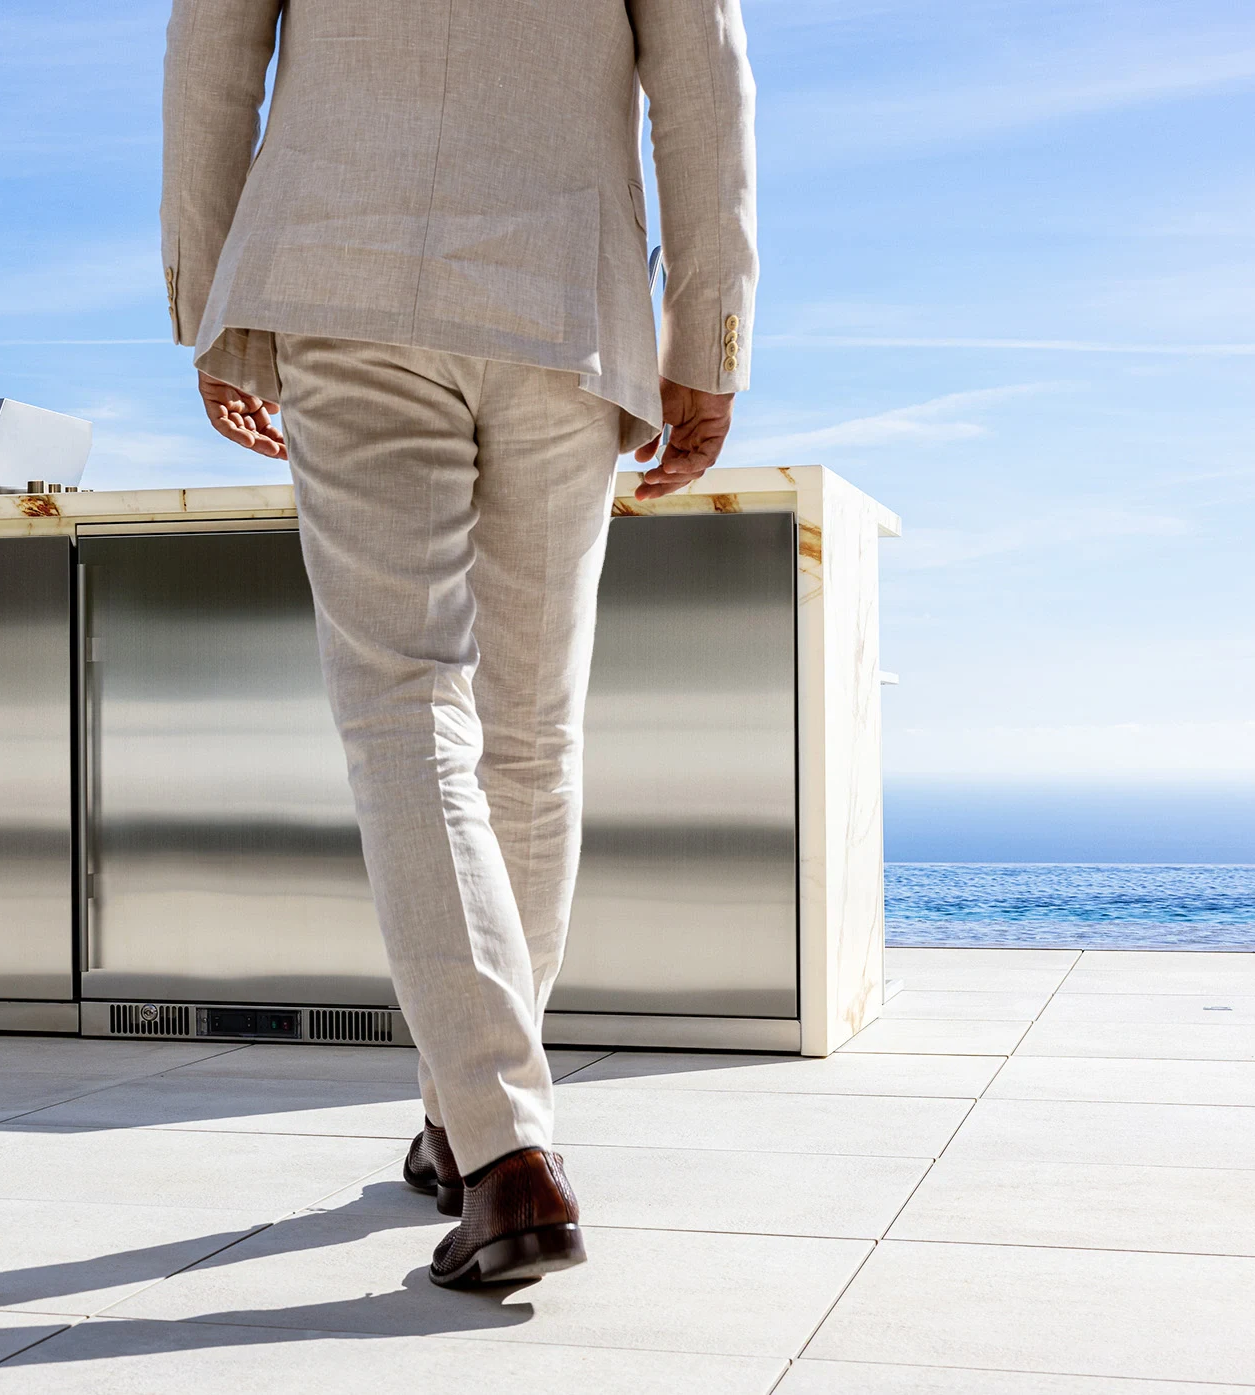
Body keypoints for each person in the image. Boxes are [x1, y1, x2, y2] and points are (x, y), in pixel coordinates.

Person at [160, 0, 756, 1287]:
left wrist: (210, 297)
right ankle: (483, 1127)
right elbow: (702, 81)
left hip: (341, 273)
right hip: (564, 295)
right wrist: (706, 337)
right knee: (529, 732)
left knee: (403, 705)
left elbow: (212, 53)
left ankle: (495, 1147)